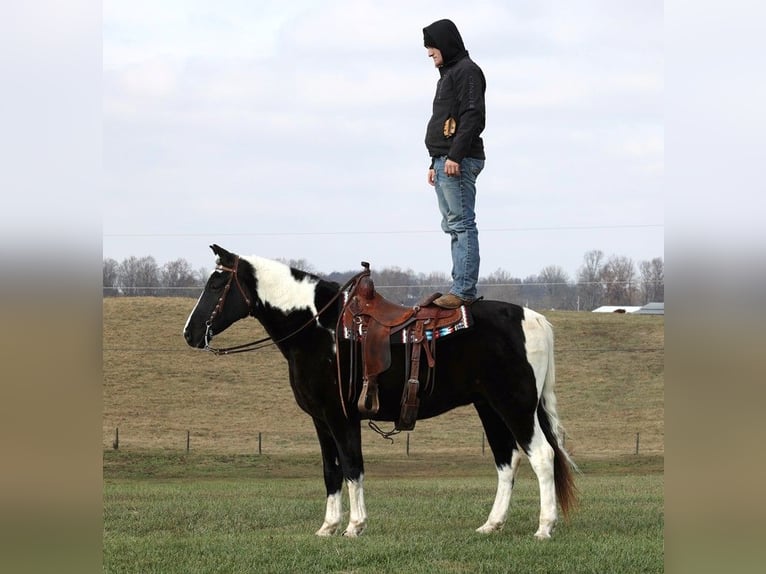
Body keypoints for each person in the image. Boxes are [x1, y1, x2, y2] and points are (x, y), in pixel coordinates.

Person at [423, 19, 487, 309]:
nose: (428, 54)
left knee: (462, 225)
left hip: (456, 161)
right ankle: (458, 286)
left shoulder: (468, 72)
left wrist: (454, 157)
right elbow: (445, 120)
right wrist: (433, 162)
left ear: (445, 44)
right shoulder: (448, 75)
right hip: (443, 161)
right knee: (452, 225)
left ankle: (463, 290)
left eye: (431, 47)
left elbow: (473, 116)